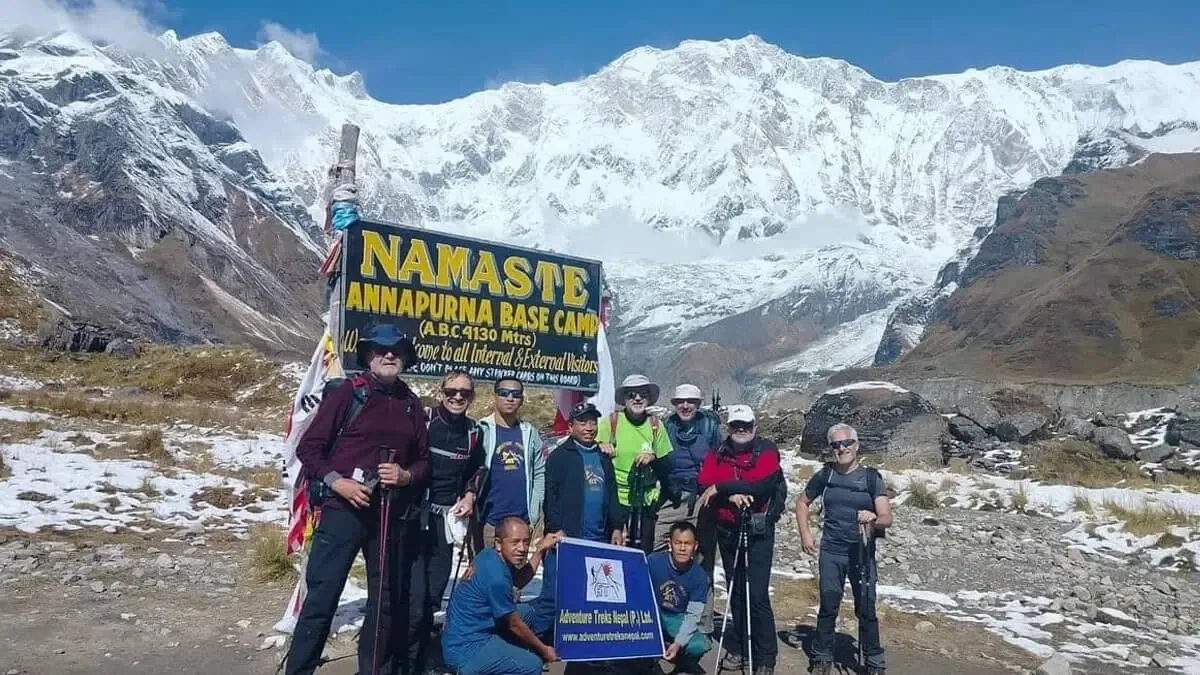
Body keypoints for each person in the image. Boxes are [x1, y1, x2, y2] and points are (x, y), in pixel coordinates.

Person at [287, 324, 429, 675]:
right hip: (343, 512)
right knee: (323, 596)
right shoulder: (348, 393)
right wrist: (339, 484)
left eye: (396, 350)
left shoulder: (412, 405)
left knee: (384, 603)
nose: (389, 355)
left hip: (389, 515)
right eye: (381, 350)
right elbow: (308, 447)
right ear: (368, 355)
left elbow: (425, 461)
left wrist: (406, 475)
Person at [405, 369, 485, 675]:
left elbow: (477, 469)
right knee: (412, 593)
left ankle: (421, 655)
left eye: (465, 393)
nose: (457, 397)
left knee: (433, 592)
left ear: (472, 397)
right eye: (452, 391)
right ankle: (404, 658)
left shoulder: (473, 432)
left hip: (444, 521)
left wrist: (469, 495)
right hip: (413, 517)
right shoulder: (424, 420)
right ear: (441, 393)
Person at [795, 423, 892, 675]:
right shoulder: (825, 476)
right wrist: (806, 533)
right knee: (828, 604)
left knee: (867, 608)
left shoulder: (871, 478)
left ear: (857, 445)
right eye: (836, 445)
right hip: (831, 551)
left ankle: (874, 662)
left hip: (861, 551)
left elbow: (886, 517)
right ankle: (822, 657)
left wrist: (872, 517)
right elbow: (802, 503)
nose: (842, 448)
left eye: (847, 443)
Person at [697, 404, 784, 675]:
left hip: (758, 531)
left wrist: (722, 487)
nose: (741, 431)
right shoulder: (718, 453)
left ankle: (765, 656)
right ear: (729, 428)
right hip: (728, 528)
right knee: (736, 591)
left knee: (757, 594)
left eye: (746, 426)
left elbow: (762, 486)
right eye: (736, 426)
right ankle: (742, 648)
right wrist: (730, 496)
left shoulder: (767, 451)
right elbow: (703, 482)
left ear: (755, 428)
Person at [532, 401, 623, 642]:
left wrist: (616, 525)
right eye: (583, 422)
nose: (589, 427)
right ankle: (536, 642)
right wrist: (555, 528)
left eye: (593, 422)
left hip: (598, 537)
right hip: (566, 538)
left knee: (592, 594)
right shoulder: (559, 457)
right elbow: (550, 497)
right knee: (553, 594)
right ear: (571, 426)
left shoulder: (604, 457)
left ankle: (583, 642)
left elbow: (612, 493)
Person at [441, 517, 562, 675]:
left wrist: (540, 550)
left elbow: (518, 580)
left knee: (529, 613)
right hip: (466, 650)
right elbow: (514, 624)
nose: (522, 548)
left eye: (526, 542)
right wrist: (544, 650)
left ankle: (509, 654)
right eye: (515, 542)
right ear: (499, 543)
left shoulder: (489, 555)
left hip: (473, 630)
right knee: (533, 665)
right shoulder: (496, 578)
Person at [657, 384, 722, 635]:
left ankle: (702, 626)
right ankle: (665, 615)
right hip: (671, 498)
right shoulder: (665, 426)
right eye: (680, 402)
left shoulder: (710, 427)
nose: (685, 406)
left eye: (691, 402)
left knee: (703, 562)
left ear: (699, 403)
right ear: (674, 403)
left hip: (703, 499)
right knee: (657, 551)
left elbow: (721, 459)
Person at [597, 374, 673, 553]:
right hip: (615, 499)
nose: (637, 398)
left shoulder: (656, 425)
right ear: (624, 399)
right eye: (632, 394)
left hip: (646, 501)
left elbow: (666, 463)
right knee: (613, 551)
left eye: (642, 394)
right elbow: (593, 447)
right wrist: (601, 445)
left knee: (641, 553)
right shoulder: (611, 422)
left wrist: (653, 458)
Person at [472, 377, 546, 554]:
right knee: (485, 577)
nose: (510, 398)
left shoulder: (530, 433)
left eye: (516, 394)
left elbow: (539, 473)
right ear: (495, 396)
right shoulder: (481, 429)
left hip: (520, 524)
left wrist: (534, 512)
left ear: (522, 399)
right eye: (504, 393)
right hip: (488, 523)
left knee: (514, 579)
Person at [648, 521, 712, 674]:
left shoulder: (699, 576)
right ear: (670, 544)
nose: (682, 548)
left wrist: (678, 643)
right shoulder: (653, 561)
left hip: (676, 616)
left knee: (699, 645)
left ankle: (680, 657)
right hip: (653, 611)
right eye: (678, 543)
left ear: (695, 546)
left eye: (687, 543)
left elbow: (693, 615)